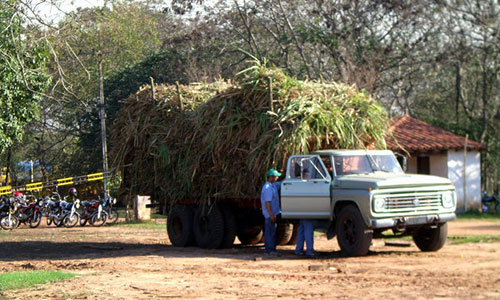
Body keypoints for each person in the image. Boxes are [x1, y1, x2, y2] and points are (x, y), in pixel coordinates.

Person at [260, 168, 282, 255]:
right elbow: (267, 203)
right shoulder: (268, 188)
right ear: (271, 177)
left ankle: (271, 249)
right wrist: (271, 215)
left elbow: (281, 183)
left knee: (272, 231)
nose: (277, 178)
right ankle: (269, 250)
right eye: (276, 176)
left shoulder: (273, 185)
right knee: (269, 232)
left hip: (274, 213)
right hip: (269, 214)